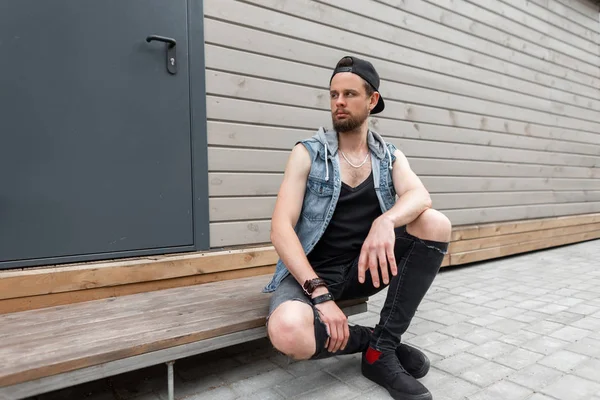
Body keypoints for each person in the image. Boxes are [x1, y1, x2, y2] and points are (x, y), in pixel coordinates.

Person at [262, 55, 452, 400]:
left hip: (362, 269)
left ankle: (381, 352)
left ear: (372, 100)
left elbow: (419, 194)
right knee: (288, 332)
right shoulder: (308, 153)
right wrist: (319, 294)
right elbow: (280, 229)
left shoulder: (389, 156)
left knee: (435, 223)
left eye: (349, 94)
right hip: (309, 275)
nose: (339, 102)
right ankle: (375, 342)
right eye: (334, 94)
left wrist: (387, 220)